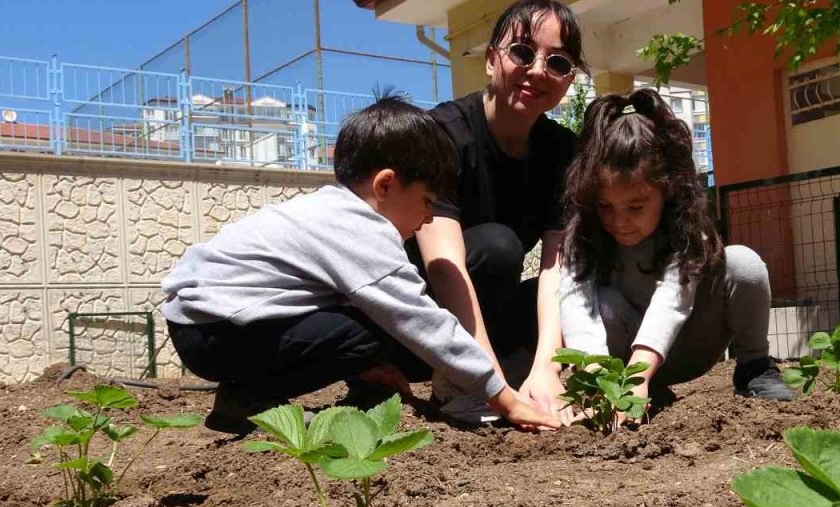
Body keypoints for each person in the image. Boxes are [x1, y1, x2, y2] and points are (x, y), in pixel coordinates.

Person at [160, 96, 559, 436]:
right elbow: (424, 323)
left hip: (204, 323)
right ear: (385, 185)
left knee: (368, 324)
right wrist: (504, 398)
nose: (427, 219)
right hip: (215, 329)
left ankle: (246, 397)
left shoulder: (329, 209)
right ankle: (252, 399)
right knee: (377, 329)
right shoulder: (360, 230)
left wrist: (371, 369)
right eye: (426, 201)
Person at [558, 88, 794, 415]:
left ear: (667, 190)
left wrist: (639, 373)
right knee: (603, 302)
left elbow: (672, 300)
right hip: (619, 357)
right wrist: (598, 380)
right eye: (605, 206)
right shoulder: (584, 234)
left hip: (689, 348)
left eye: (635, 207)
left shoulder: (688, 228)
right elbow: (576, 307)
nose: (619, 221)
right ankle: (636, 387)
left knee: (743, 263)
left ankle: (754, 367)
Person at [412, 0, 586, 422]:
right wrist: (489, 385)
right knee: (497, 246)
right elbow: (443, 268)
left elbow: (555, 268)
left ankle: (520, 371)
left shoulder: (562, 151)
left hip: (488, 314)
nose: (538, 70)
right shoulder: (443, 135)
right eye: (522, 52)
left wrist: (549, 366)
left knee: (575, 293)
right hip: (418, 315)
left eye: (558, 62)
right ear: (492, 60)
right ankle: (458, 381)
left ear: (569, 80)